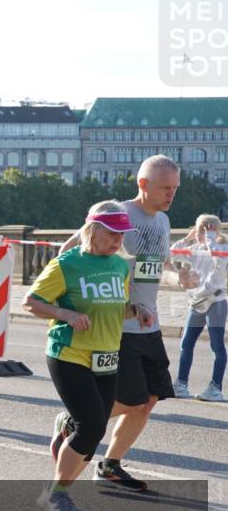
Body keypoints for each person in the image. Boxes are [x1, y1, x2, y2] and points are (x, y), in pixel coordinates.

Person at [58, 154, 180, 491]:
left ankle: (110, 465)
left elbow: (159, 265)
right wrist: (70, 294)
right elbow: (71, 248)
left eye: (175, 188)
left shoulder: (164, 221)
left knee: (150, 399)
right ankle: (74, 422)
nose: (171, 194)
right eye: (165, 188)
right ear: (143, 185)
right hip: (117, 326)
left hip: (148, 325)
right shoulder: (119, 212)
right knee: (130, 398)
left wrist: (179, 272)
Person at [25, 202, 142, 511]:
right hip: (69, 354)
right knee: (90, 425)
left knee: (94, 429)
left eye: (123, 233)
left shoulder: (119, 267)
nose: (119, 240)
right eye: (113, 232)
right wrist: (66, 314)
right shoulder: (67, 264)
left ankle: (58, 490)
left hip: (107, 356)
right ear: (93, 230)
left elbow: (115, 306)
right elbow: (31, 302)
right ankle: (57, 495)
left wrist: (135, 311)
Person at [171, 214, 227, 402]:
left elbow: (218, 262)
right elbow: (174, 253)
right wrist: (187, 238)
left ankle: (216, 388)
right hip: (198, 302)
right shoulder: (195, 249)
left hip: (216, 302)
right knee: (187, 343)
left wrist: (211, 239)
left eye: (199, 230)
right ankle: (181, 384)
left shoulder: (222, 247)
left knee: (217, 345)